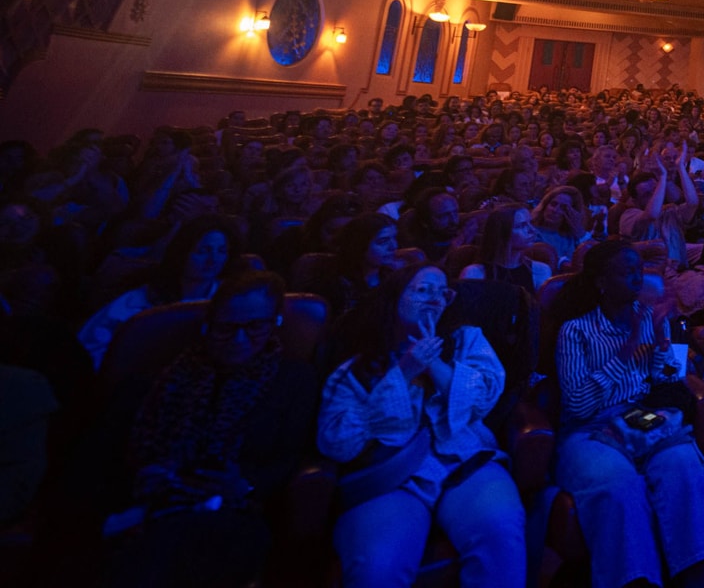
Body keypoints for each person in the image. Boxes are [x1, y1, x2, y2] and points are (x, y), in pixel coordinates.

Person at [96, 272, 318, 588]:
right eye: (226, 329)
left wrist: (245, 485)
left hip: (237, 512)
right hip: (153, 503)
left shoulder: (294, 380)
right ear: (208, 325)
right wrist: (147, 473)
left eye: (255, 327)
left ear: (275, 324)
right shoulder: (165, 378)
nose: (239, 340)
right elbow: (113, 453)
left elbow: (289, 456)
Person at [317, 263, 525, 588]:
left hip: (465, 463)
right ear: (394, 297)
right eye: (422, 290)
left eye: (442, 292)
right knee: (379, 566)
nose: (434, 299)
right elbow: (337, 442)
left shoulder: (466, 340)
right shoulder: (357, 367)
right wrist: (405, 370)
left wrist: (433, 363)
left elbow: (482, 400)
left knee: (500, 528)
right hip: (393, 479)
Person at [552, 240, 704, 588]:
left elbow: (665, 381)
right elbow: (578, 405)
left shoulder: (646, 317)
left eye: (638, 270)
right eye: (626, 272)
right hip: (590, 429)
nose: (637, 279)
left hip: (640, 416)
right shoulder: (575, 331)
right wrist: (627, 351)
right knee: (621, 488)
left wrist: (661, 342)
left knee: (688, 472)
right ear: (601, 281)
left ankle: (693, 576)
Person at [80, 214, 242, 366]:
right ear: (182, 252)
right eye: (202, 251)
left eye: (221, 251)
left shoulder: (232, 300)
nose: (213, 260)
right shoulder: (141, 301)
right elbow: (93, 346)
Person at [460, 206, 552, 292]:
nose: (532, 230)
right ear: (501, 234)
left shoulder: (540, 271)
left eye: (530, 223)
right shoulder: (475, 274)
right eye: (521, 226)